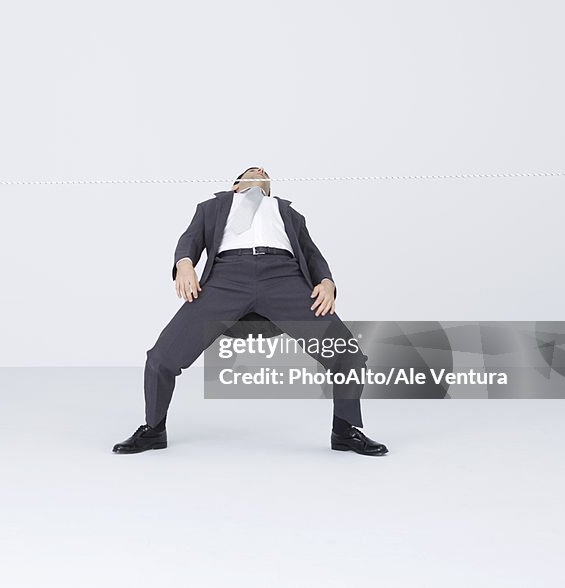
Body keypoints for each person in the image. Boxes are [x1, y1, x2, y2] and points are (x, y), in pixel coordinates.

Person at [112, 166, 389, 456]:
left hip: (285, 277)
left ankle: (345, 432)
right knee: (161, 357)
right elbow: (190, 239)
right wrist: (184, 264)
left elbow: (311, 253)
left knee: (349, 354)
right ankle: (153, 430)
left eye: (264, 172)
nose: (260, 170)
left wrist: (327, 282)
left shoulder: (287, 213)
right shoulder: (212, 207)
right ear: (236, 185)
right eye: (251, 170)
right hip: (226, 277)